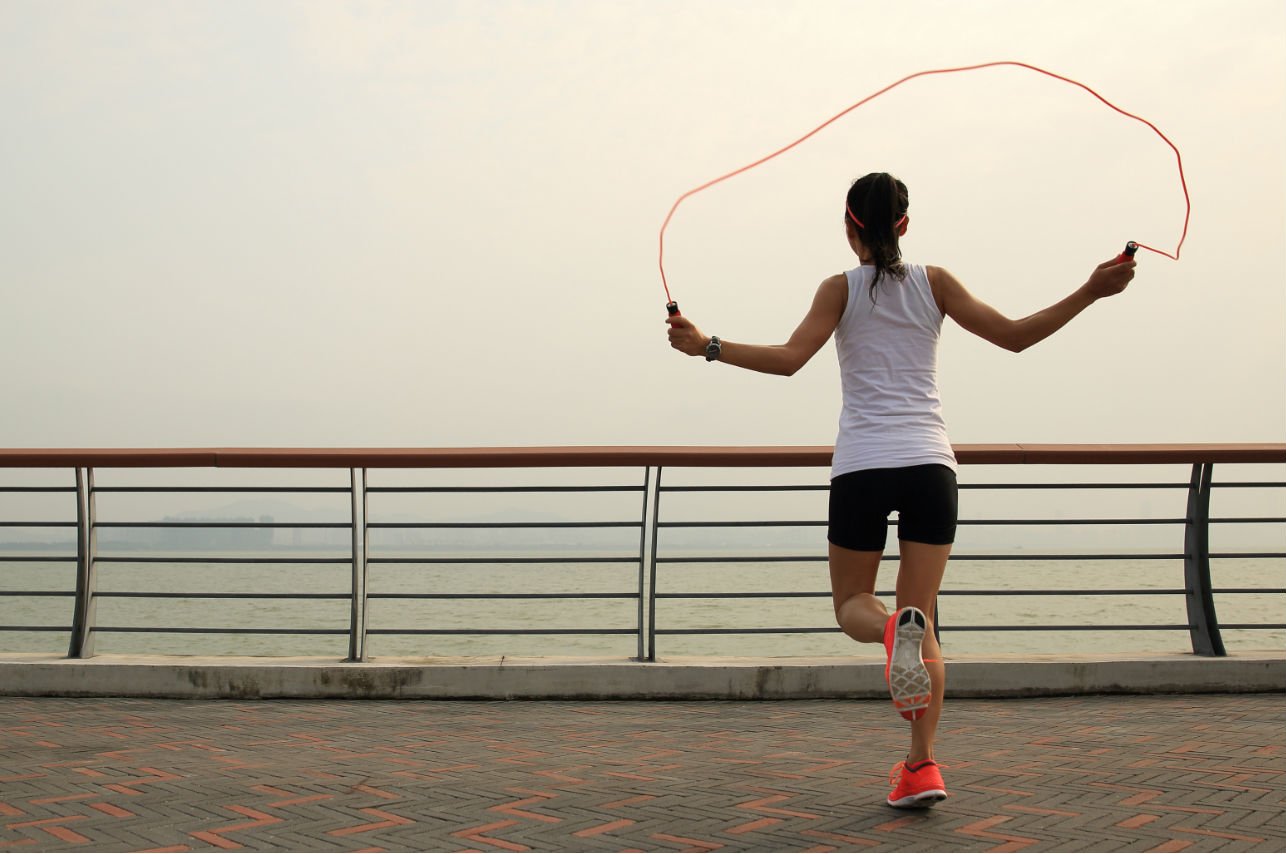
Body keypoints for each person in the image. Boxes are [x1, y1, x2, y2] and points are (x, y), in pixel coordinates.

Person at [665, 171, 1136, 808]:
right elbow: (1017, 336)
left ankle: (891, 636)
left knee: (854, 604)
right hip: (930, 467)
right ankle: (922, 767)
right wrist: (1093, 288)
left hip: (862, 464)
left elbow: (788, 359)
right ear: (904, 227)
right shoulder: (935, 283)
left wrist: (708, 346)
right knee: (926, 620)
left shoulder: (839, 289)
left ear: (849, 227)